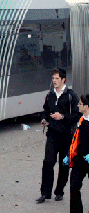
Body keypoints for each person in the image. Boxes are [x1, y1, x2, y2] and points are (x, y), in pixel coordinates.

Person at [37, 68, 80, 204]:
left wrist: (61, 116)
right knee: (48, 163)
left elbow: (76, 116)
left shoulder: (71, 96)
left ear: (63, 80)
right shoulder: (50, 95)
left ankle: (59, 191)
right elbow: (45, 111)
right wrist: (44, 120)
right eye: (53, 78)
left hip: (67, 136)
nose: (54, 81)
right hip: (52, 135)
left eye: (57, 78)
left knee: (64, 164)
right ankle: (45, 193)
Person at [63, 94, 89, 213]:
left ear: (87, 107)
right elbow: (74, 140)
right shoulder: (80, 120)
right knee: (74, 186)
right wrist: (69, 155)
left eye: (80, 104)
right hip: (79, 160)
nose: (78, 105)